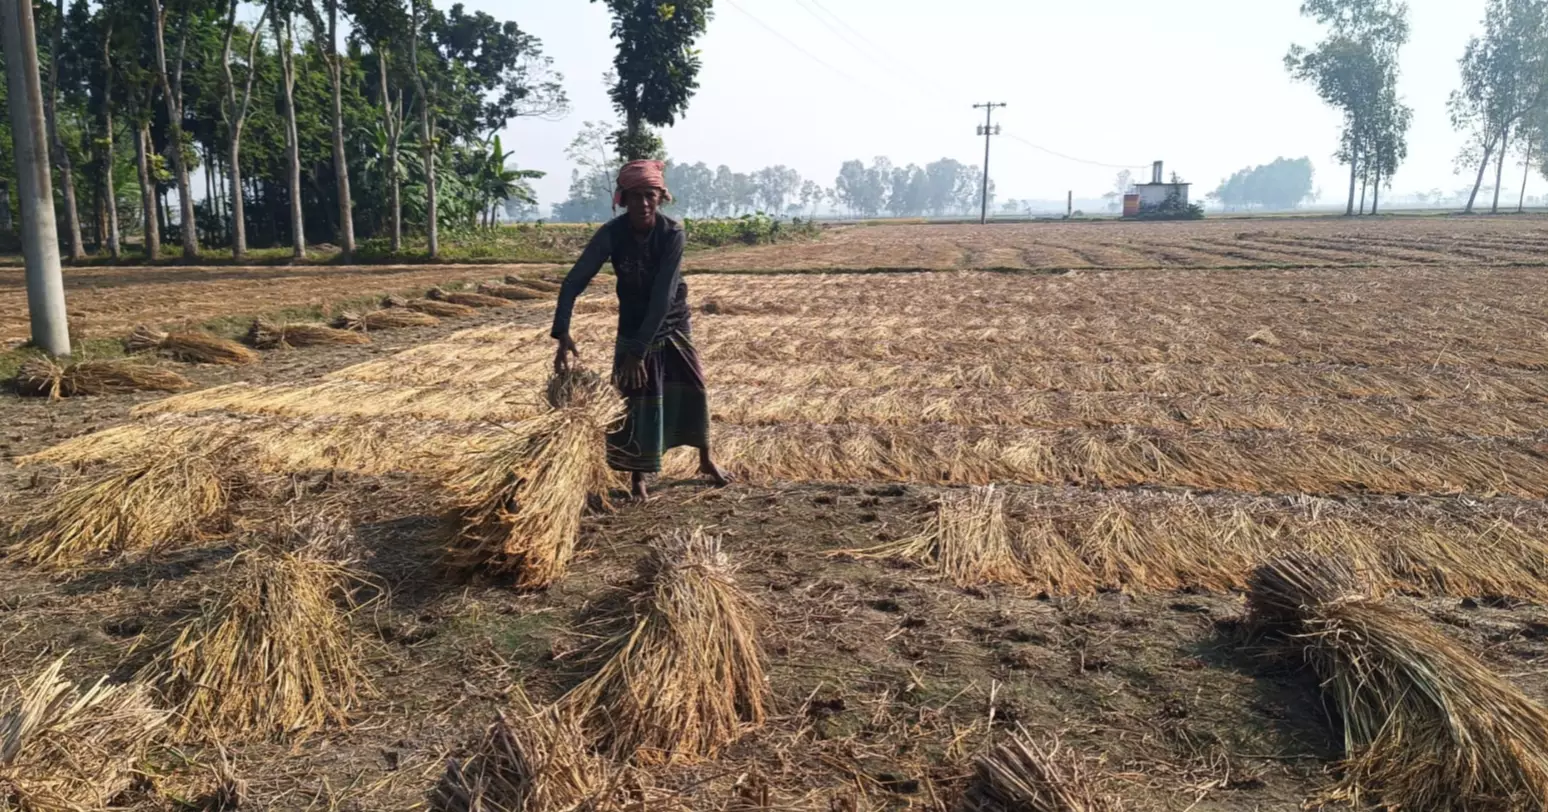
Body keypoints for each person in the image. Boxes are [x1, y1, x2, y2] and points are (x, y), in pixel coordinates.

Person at [550, 159, 731, 501]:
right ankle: (638, 477)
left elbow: (663, 296)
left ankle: (705, 459)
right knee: (635, 398)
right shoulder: (612, 234)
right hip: (632, 321)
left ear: (661, 197)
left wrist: (638, 353)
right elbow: (575, 280)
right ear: (622, 199)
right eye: (635, 196)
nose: (643, 203)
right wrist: (562, 331)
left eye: (650, 195)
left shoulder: (672, 234)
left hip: (673, 320)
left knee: (694, 387)